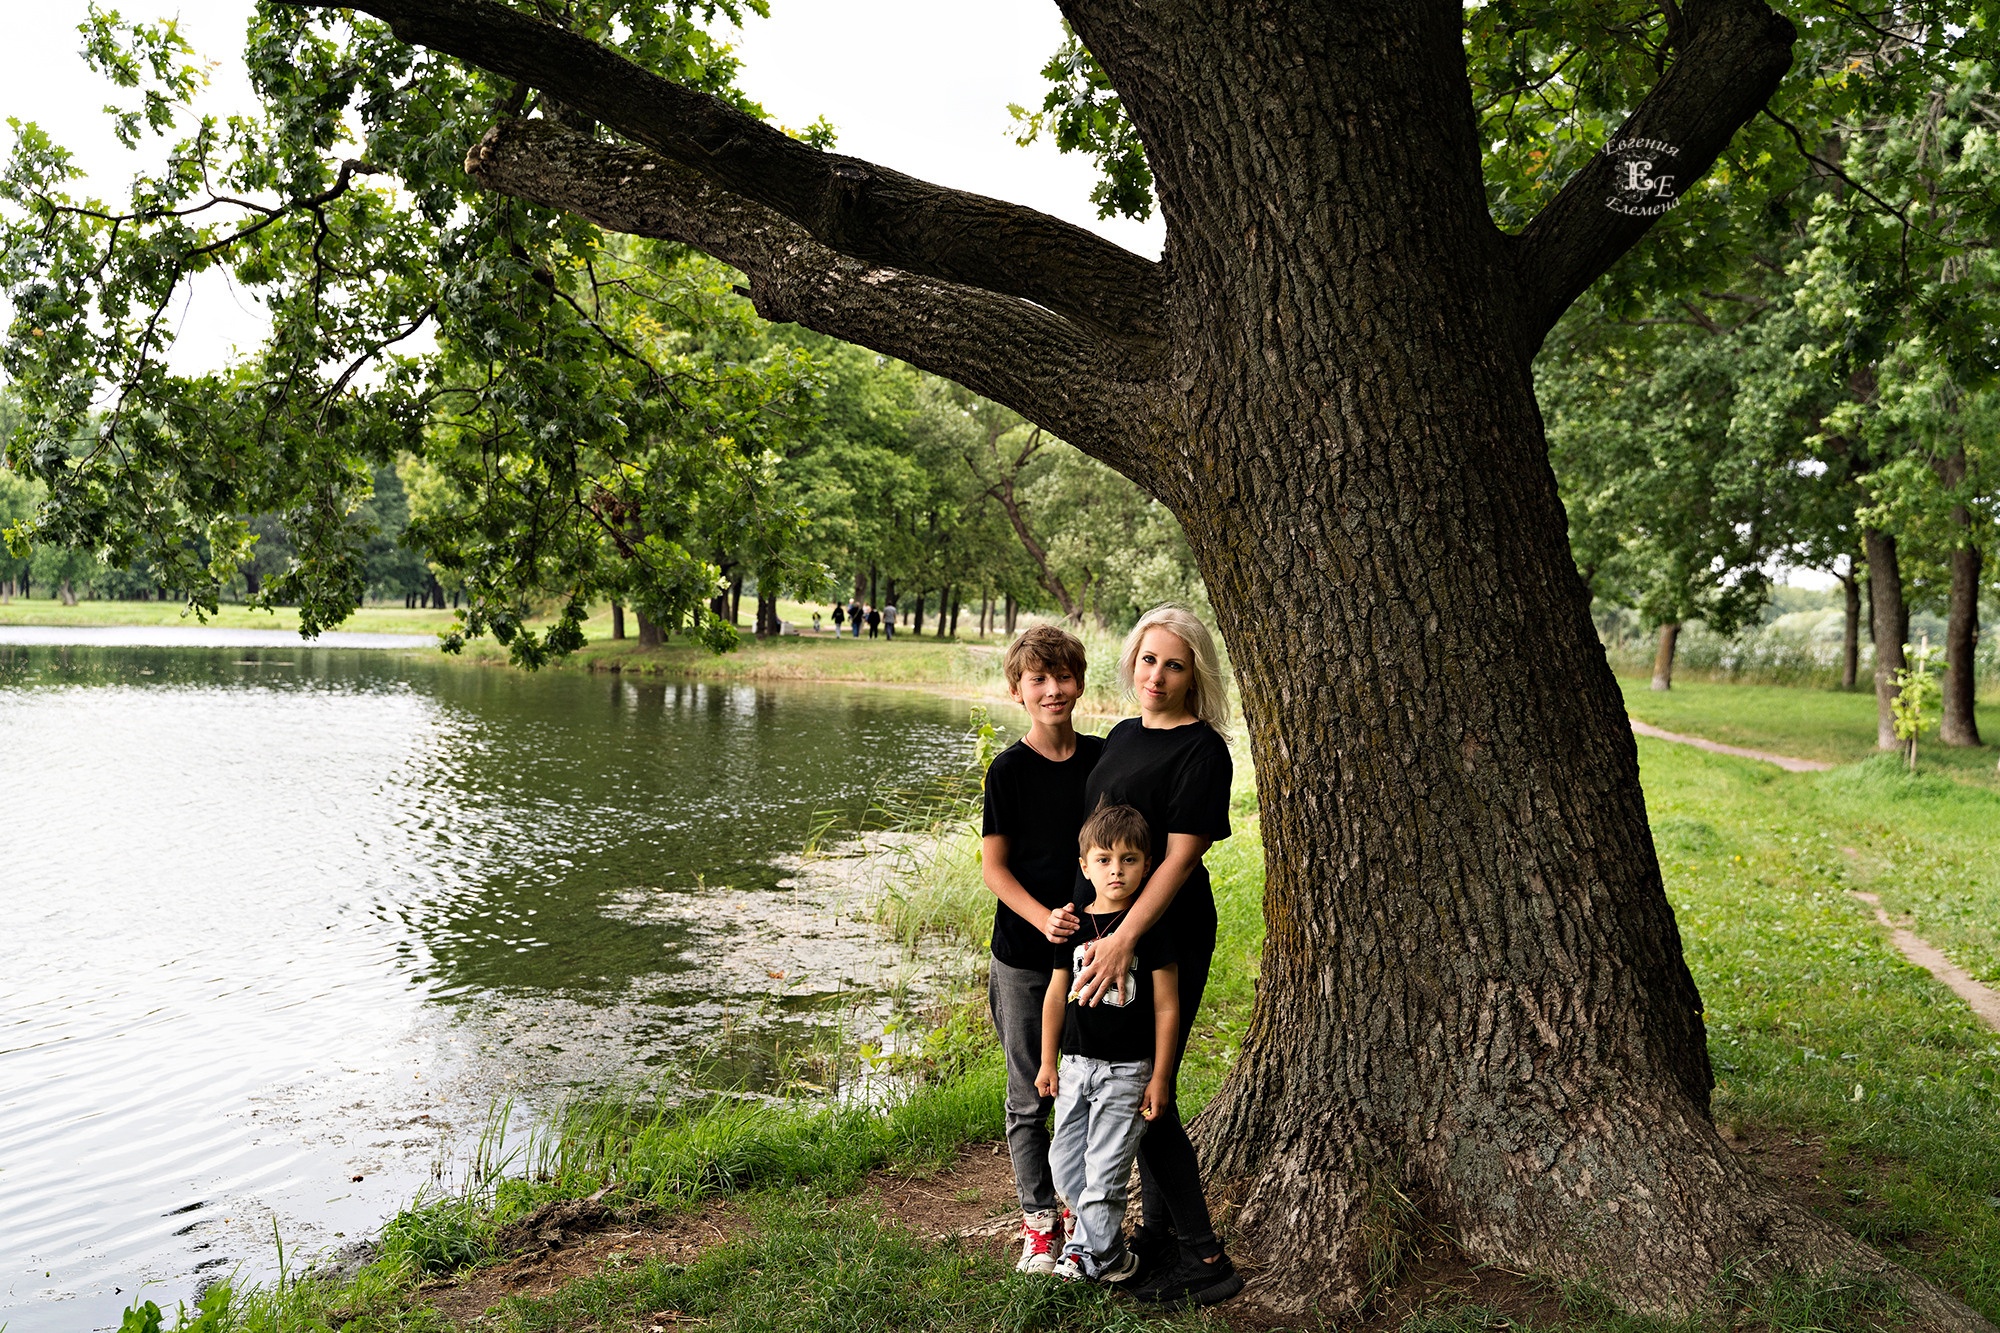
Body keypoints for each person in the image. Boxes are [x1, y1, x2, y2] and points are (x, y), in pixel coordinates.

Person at [1068, 605, 1241, 1307]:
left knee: (1142, 1089)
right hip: (1106, 935)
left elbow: (1177, 860)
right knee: (1127, 1082)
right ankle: (1160, 1235)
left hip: (1161, 935)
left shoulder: (1205, 749)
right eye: (1148, 659)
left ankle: (1206, 1258)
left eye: (1174, 663)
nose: (1157, 675)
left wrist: (1125, 939)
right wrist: (1084, 923)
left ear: (1194, 672)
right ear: (1132, 662)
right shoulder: (1121, 734)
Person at [981, 625, 1101, 1275]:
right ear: (1017, 689)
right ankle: (1039, 1227)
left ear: (1079, 681)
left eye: (1063, 676)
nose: (1053, 689)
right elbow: (995, 868)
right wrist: (1043, 916)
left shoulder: (1105, 760)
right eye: (1038, 679)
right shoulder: (1009, 771)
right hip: (1025, 957)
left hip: (1095, 959)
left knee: (1091, 1089)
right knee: (1031, 1095)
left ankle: (1086, 1219)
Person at [1037, 803, 1177, 1285]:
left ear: (1148, 864)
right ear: (1085, 866)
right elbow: (1057, 993)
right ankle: (1113, 1256)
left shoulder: (1151, 928)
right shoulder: (1072, 925)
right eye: (1104, 859)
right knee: (1063, 1164)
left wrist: (1160, 1076)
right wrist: (1047, 1062)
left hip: (1126, 1072)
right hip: (1074, 1066)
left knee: (1105, 1170)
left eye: (1130, 859)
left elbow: (1166, 1007)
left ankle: (1082, 1257)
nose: (1116, 870)